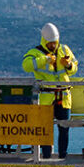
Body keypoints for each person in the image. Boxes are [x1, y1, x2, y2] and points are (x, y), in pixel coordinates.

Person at [22, 23, 78, 158]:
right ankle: (46, 156)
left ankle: (63, 155)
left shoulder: (64, 50)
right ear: (44, 41)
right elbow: (26, 66)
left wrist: (69, 65)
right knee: (45, 129)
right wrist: (45, 60)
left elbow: (75, 68)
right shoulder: (35, 53)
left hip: (63, 97)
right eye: (50, 43)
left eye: (55, 43)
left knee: (64, 127)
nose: (53, 45)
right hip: (46, 97)